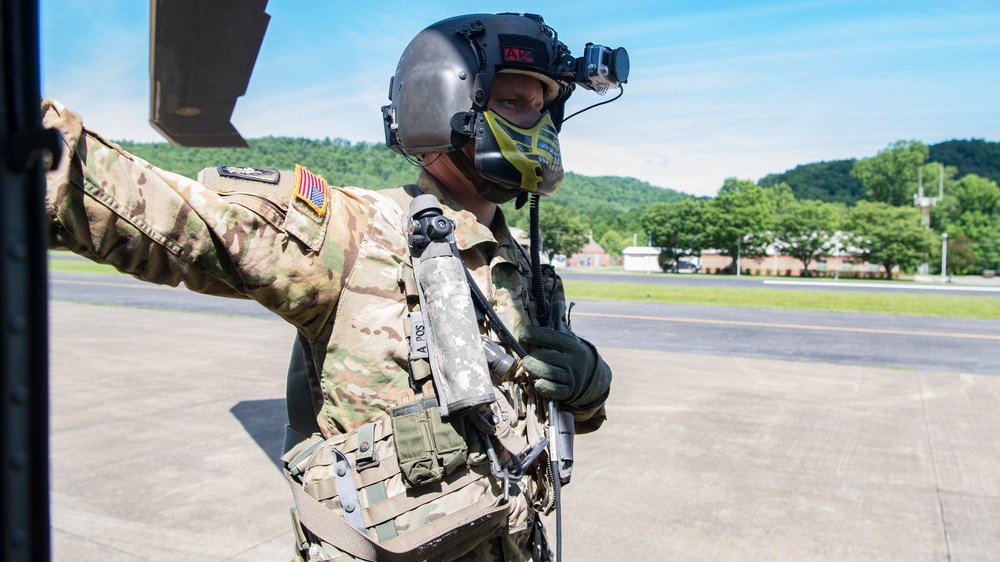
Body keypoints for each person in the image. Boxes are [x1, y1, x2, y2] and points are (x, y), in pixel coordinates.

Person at [43, 12, 624, 562]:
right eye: (514, 101)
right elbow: (171, 218)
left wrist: (589, 383)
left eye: (544, 107)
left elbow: (558, 418)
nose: (539, 125)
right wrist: (38, 147)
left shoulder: (522, 267)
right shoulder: (357, 232)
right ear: (449, 103)